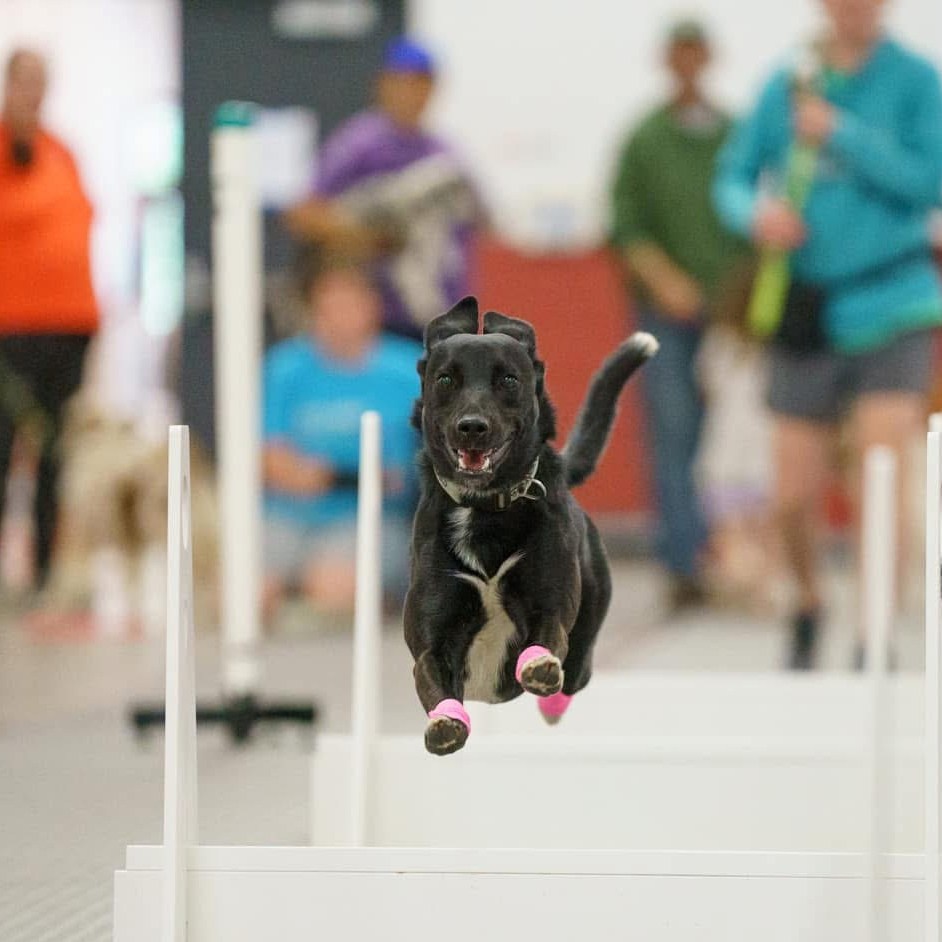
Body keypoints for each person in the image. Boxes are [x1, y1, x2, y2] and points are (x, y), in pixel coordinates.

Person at [714, 0, 942, 668]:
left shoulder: (916, 81)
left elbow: (929, 180)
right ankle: (810, 600)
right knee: (790, 494)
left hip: (893, 299)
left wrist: (842, 133)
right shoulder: (789, 80)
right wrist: (755, 214)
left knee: (880, 471)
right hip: (805, 307)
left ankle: (875, 630)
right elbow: (732, 177)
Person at [610, 20, 745, 611]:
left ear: (708, 58)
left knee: (734, 438)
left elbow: (756, 215)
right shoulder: (645, 139)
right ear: (667, 60)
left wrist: (739, 299)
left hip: (733, 316)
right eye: (679, 53)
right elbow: (625, 226)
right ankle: (682, 561)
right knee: (672, 431)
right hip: (664, 313)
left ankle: (732, 557)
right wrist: (665, 280)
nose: (688, 63)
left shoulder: (736, 135)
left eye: (697, 52)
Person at [284, 36, 482, 341]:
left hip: (436, 316)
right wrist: (373, 237)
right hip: (374, 319)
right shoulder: (359, 144)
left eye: (419, 83)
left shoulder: (444, 155)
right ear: (382, 85)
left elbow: (478, 226)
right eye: (401, 82)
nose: (409, 93)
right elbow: (303, 215)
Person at [262, 251, 420, 619]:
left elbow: (402, 475)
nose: (338, 318)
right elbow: (272, 459)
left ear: (372, 307)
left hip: (372, 517)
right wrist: (332, 476)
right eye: (328, 307)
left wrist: (327, 475)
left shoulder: (409, 370)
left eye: (348, 305)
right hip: (288, 515)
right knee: (246, 591)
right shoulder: (286, 368)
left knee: (334, 589)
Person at [0, 49, 98, 591]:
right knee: (7, 443)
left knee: (57, 452)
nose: (33, 93)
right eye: (25, 81)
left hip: (69, 325)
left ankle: (45, 571)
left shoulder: (61, 151)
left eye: (41, 82)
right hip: (11, 328)